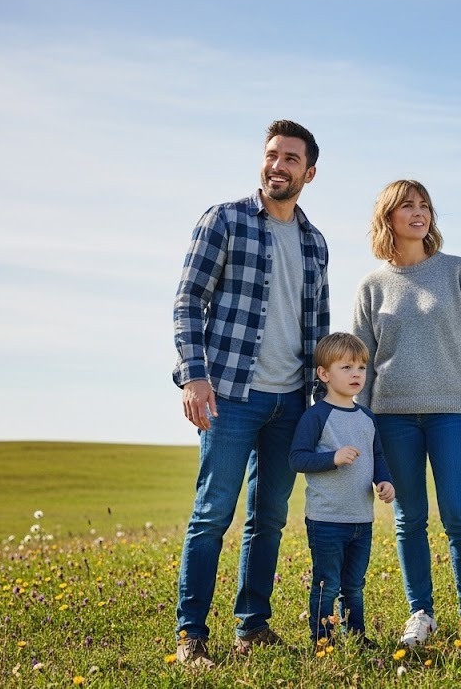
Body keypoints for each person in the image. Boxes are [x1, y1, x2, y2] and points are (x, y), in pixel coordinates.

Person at [172, 120, 329, 668]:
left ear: (309, 172)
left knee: (270, 517)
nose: (277, 166)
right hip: (231, 395)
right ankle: (191, 636)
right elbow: (189, 300)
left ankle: (252, 626)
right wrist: (194, 376)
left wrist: (323, 397)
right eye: (271, 155)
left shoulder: (314, 242)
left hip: (291, 400)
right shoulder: (226, 220)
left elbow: (319, 323)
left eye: (290, 159)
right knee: (213, 514)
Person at [351, 179, 461, 654]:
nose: (419, 213)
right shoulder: (372, 286)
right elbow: (360, 365)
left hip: (452, 414)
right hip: (391, 419)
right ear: (388, 218)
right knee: (409, 518)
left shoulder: (457, 271)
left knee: (458, 514)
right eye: (407, 206)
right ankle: (422, 615)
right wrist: (361, 426)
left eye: (425, 206)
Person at [289, 332, 395, 648]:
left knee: (354, 585)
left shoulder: (367, 417)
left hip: (362, 519)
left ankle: (356, 636)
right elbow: (297, 458)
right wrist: (332, 458)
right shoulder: (316, 415)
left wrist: (385, 481)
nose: (356, 375)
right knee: (327, 583)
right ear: (324, 374)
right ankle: (323, 639)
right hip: (326, 519)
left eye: (361, 368)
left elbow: (377, 456)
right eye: (346, 367)